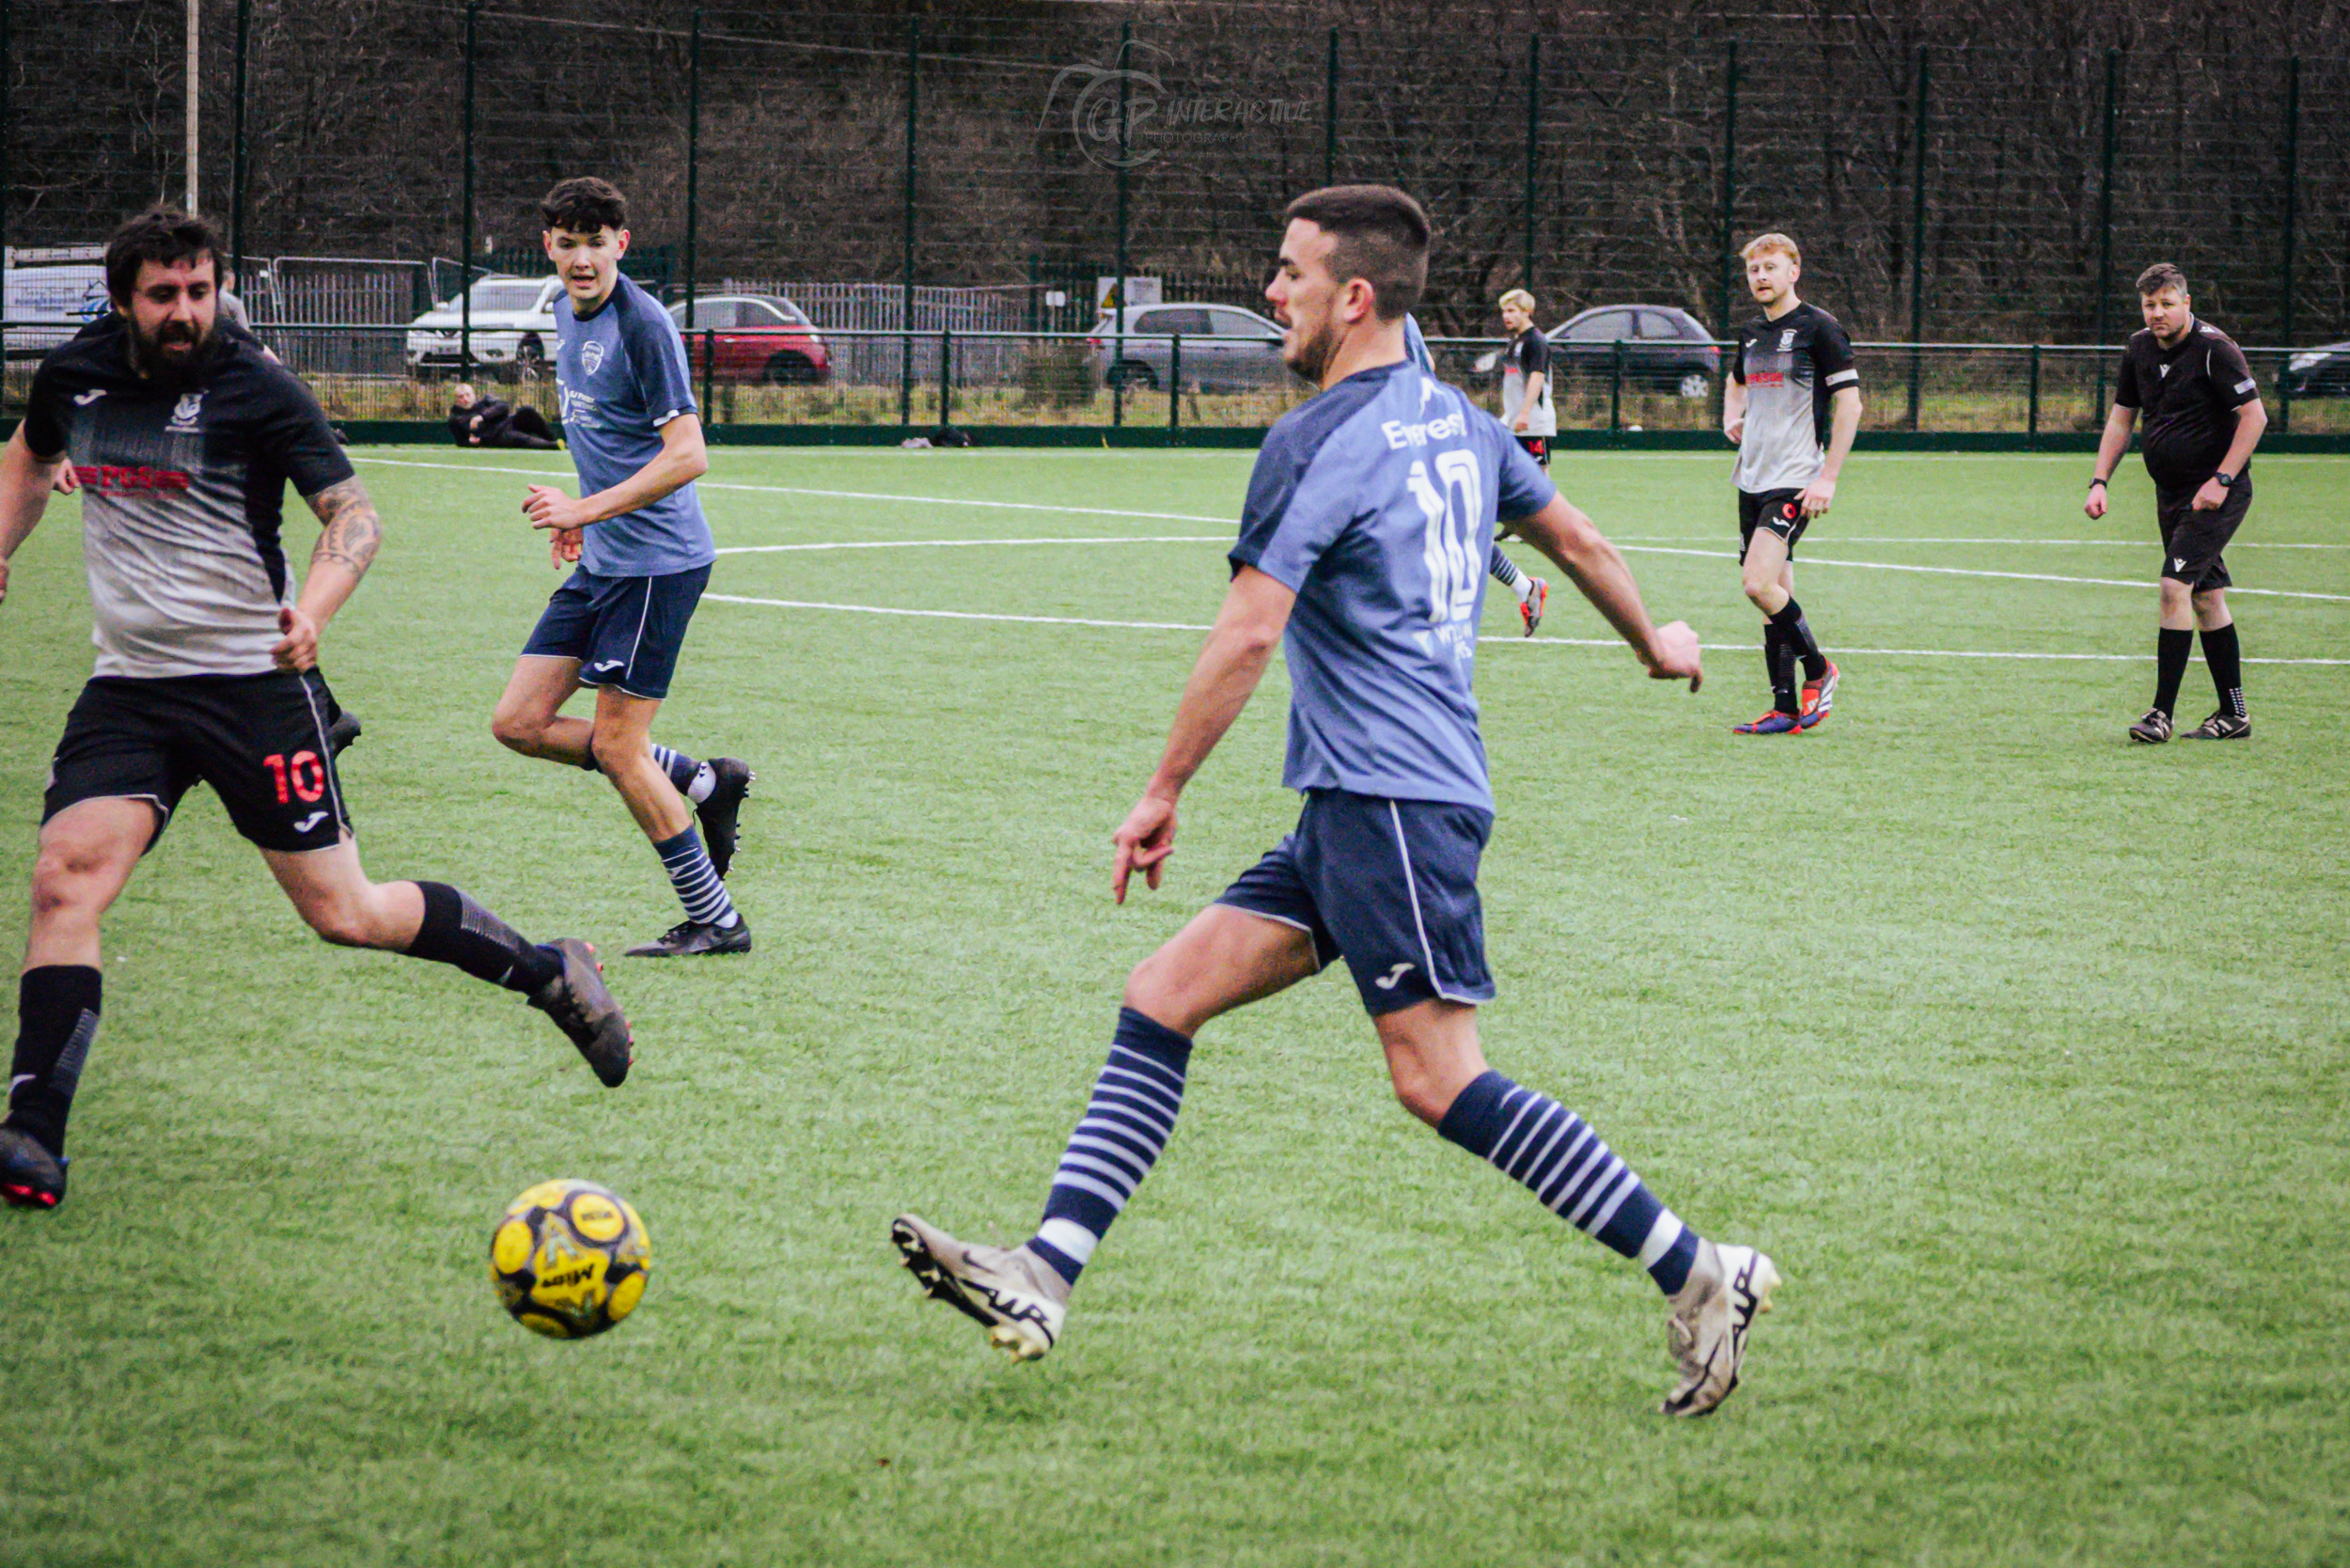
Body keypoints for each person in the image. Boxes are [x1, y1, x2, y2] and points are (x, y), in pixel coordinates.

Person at [891, 185, 1778, 1419]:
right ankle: (1044, 1273)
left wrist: (1162, 790)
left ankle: (1700, 1272)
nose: (1271, 293)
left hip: (1393, 802)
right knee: (1162, 996)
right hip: (1357, 806)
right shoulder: (1462, 423)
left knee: (1438, 1078)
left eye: (1290, 273)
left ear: (1352, 297)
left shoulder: (1313, 440)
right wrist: (1654, 643)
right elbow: (1579, 542)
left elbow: (1251, 629)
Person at [0, 209, 633, 1212]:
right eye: (164, 295)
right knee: (61, 882)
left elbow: (353, 515)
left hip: (255, 688)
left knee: (348, 913)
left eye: (200, 291)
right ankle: (32, 1136)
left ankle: (549, 970)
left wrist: (316, 613)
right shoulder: (74, 377)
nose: (186, 312)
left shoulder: (255, 387)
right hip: (131, 689)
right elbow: (30, 459)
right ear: (122, 300)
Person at [487, 178, 755, 958]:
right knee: (518, 724)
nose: (582, 258)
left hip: (657, 566)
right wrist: (583, 520)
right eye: (567, 243)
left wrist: (583, 510)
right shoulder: (566, 314)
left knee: (616, 746)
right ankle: (703, 783)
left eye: (596, 243)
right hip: (606, 560)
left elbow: (688, 455)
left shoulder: (642, 325)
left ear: (621, 245)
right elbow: (606, 437)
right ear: (548, 246)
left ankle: (717, 920)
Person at [2087, 262, 2267, 744]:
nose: (2157, 313)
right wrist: (2100, 480)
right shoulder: (2139, 348)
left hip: (2214, 495)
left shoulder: (2215, 349)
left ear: (2187, 303)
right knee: (2206, 597)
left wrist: (2222, 479)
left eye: (2167, 304)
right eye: (2149, 305)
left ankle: (2160, 714)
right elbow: (2122, 419)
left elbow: (2254, 417)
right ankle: (2234, 714)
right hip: (2170, 494)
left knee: (2174, 587)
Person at [1720, 233, 1858, 735]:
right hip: (1752, 477)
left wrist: (1828, 477)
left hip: (1795, 479)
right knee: (1772, 593)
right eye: (1754, 270)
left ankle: (1819, 670)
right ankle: (1784, 707)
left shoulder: (1819, 328)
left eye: (1771, 268)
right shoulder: (1751, 333)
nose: (1761, 277)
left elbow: (1850, 404)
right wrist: (1731, 416)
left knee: (1756, 583)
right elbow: (1736, 381)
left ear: (1793, 272)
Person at [1405, 311, 1549, 635]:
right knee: (1449, 524)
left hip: (1413, 430)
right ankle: (1523, 587)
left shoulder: (1376, 312)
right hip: (1422, 426)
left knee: (1435, 524)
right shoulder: (1397, 314)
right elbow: (1428, 361)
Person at [449, 382, 559, 450]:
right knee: (519, 438)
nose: (465, 399)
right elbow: (461, 441)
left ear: (474, 395)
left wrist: (482, 417)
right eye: (460, 397)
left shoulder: (486, 401)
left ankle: (552, 439)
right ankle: (552, 445)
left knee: (527, 411)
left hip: (509, 422)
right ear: (456, 400)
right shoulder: (455, 418)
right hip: (496, 437)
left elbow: (504, 406)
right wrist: (472, 442)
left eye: (467, 395)